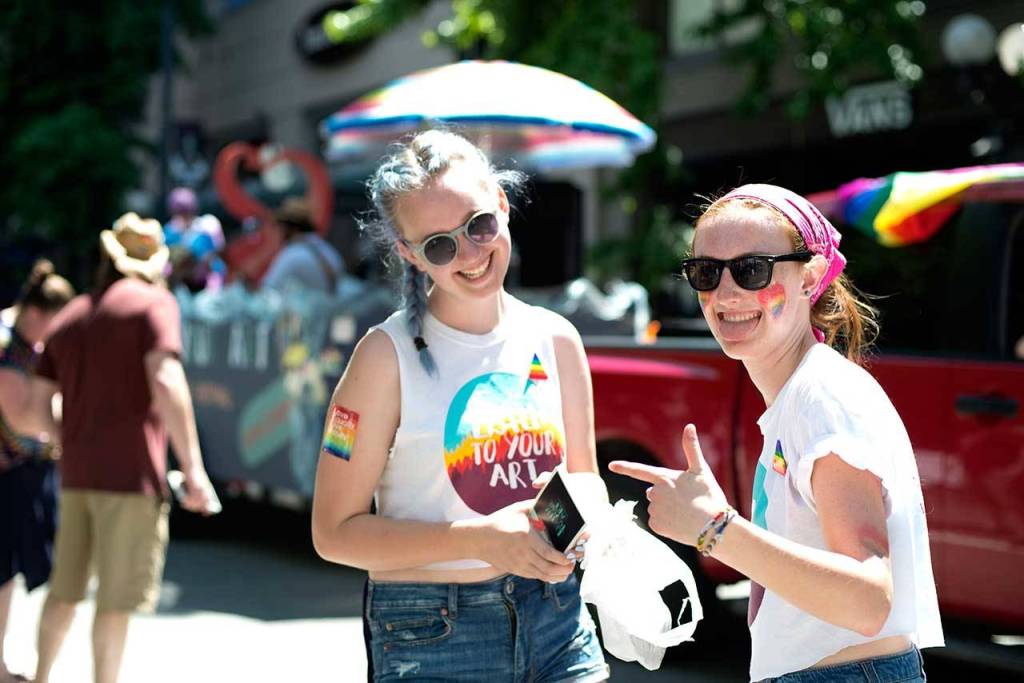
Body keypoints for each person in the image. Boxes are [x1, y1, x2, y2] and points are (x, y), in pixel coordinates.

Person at [610, 184, 944, 682]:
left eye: (752, 270)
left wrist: (715, 529)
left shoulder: (822, 397)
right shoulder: (801, 395)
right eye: (706, 272)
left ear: (809, 277)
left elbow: (869, 597)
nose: (725, 294)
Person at [310, 130, 608, 682]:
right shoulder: (382, 358)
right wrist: (478, 539)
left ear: (501, 204)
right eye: (441, 245)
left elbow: (584, 478)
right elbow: (333, 533)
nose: (471, 254)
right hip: (434, 631)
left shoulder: (557, 338)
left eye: (478, 226)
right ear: (409, 254)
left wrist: (573, 525)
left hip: (559, 616)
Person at [24, 213, 216, 683]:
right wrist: (194, 471)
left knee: (64, 592)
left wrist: (62, 440)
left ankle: (42, 675)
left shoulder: (71, 315)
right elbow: (167, 379)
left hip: (76, 478)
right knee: (114, 603)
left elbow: (33, 407)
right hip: (132, 478)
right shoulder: (154, 304)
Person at [0, 260, 74, 683]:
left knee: (6, 575)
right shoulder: (7, 343)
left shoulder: (27, 343)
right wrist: (66, 434)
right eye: (54, 325)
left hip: (19, 474)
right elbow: (20, 415)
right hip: (7, 476)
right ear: (34, 314)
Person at [261, 196, 343, 293]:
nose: (279, 231)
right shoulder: (326, 248)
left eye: (282, 226)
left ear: (293, 228)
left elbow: (268, 289)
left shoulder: (292, 254)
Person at [163, 186, 226, 292]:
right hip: (179, 284)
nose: (184, 216)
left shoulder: (206, 227)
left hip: (207, 283)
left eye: (186, 212)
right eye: (180, 212)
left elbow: (217, 259)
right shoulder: (169, 231)